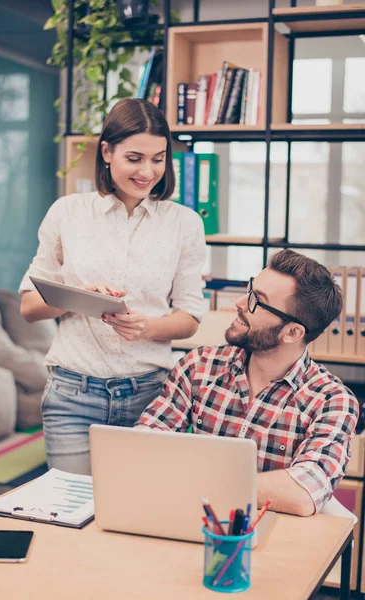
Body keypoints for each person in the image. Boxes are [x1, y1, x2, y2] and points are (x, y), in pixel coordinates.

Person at [19, 98, 206, 475]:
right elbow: (29, 306)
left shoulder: (184, 223)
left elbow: (189, 316)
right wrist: (81, 295)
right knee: (72, 514)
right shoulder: (67, 212)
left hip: (151, 397)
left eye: (159, 158)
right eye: (134, 158)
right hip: (72, 396)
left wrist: (148, 327)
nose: (148, 171)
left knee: (138, 516)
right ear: (107, 151)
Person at [136, 250, 359, 517]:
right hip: (188, 523)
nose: (241, 302)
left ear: (292, 332)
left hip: (274, 543)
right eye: (249, 290)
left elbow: (303, 492)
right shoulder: (199, 366)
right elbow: (144, 446)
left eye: (256, 301)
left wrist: (198, 480)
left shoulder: (332, 401)